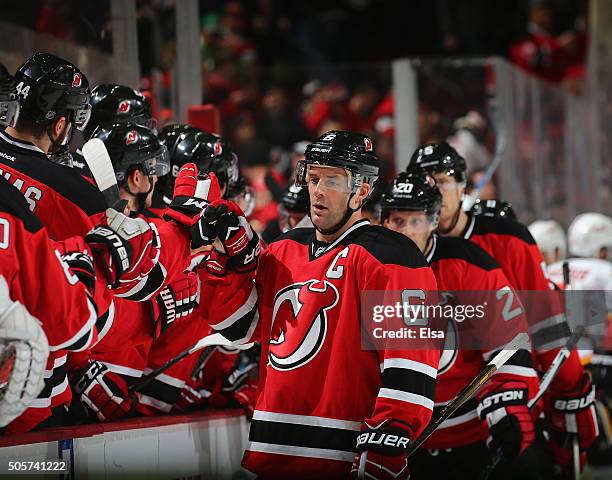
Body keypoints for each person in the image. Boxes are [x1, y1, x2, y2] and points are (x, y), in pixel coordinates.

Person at [195, 131, 439, 479]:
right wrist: (220, 266)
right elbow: (240, 329)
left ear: (363, 191)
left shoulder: (392, 256)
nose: (319, 190)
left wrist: (387, 440)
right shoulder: (282, 251)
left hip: (344, 459)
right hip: (271, 453)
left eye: (334, 180)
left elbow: (410, 360)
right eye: (313, 177)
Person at [408, 142, 598, 477]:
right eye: (423, 184)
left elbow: (545, 323)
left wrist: (569, 387)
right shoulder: (404, 250)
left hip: (505, 405)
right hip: (429, 420)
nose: (432, 192)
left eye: (440, 182)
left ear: (463, 186)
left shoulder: (508, 239)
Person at [381, 170, 539, 479]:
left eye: (416, 221)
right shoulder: (365, 265)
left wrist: (505, 400)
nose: (407, 232)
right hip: (396, 435)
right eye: (398, 221)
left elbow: (510, 342)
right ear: (383, 221)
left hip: (471, 432)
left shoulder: (472, 265)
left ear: (433, 221)